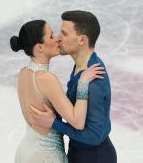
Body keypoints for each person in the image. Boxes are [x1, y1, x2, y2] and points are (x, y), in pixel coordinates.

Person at [11, 19, 106, 163]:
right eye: (51, 36)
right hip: (46, 157)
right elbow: (78, 122)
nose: (57, 39)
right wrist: (83, 83)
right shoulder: (47, 79)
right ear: (39, 47)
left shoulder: (23, 73)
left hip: (26, 152)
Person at [30, 10, 117, 163]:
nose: (57, 38)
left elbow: (94, 137)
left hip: (94, 157)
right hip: (80, 152)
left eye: (64, 33)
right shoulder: (82, 66)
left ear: (82, 40)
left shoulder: (93, 84)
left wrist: (54, 123)